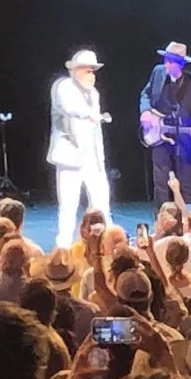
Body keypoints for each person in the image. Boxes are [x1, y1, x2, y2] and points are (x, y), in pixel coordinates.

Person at [47, 48, 111, 249]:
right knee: (68, 207)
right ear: (76, 71)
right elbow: (70, 107)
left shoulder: (94, 93)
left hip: (92, 158)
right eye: (88, 71)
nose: (92, 75)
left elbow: (95, 130)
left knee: (102, 203)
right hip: (70, 158)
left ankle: (106, 243)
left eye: (94, 71)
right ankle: (63, 248)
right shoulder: (63, 86)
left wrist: (100, 159)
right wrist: (90, 115)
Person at [138, 40, 191, 206]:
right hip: (158, 134)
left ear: (181, 64)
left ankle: (188, 217)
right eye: (166, 60)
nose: (166, 64)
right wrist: (145, 111)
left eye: (171, 61)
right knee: (160, 182)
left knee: (185, 183)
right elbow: (146, 93)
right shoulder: (158, 72)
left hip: (184, 138)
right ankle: (161, 217)